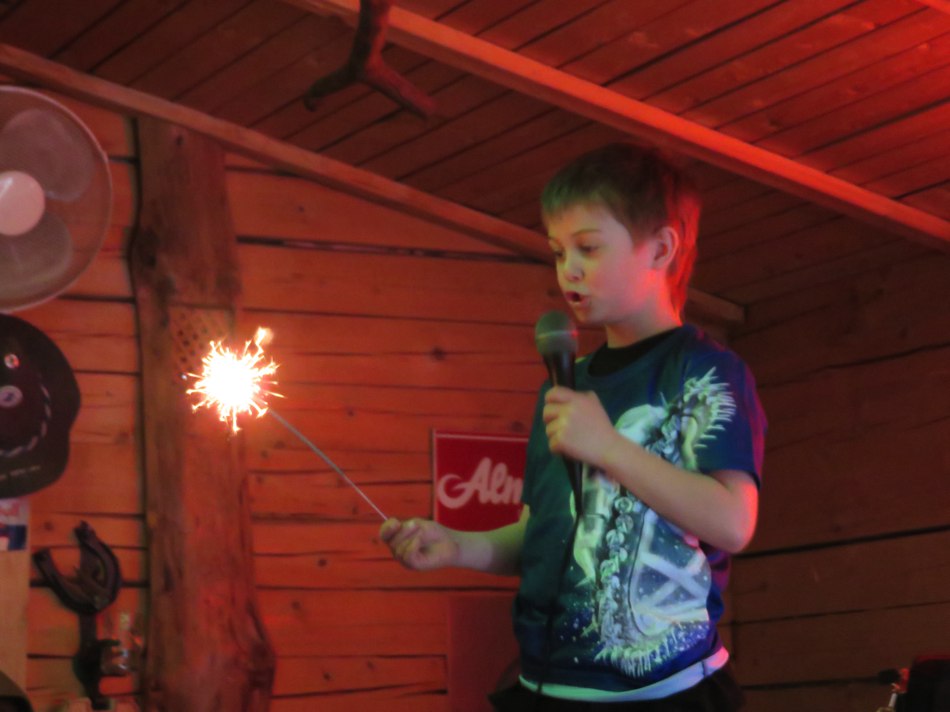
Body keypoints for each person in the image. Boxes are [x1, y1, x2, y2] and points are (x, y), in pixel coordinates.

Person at [381, 143, 766, 711]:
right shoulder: (566, 385)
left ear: (661, 248)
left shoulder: (703, 370)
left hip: (666, 691)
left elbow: (733, 522)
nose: (570, 270)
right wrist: (459, 546)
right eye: (559, 252)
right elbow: (545, 531)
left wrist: (608, 446)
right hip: (549, 686)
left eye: (589, 247)